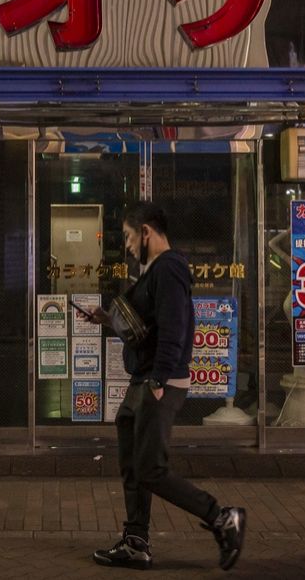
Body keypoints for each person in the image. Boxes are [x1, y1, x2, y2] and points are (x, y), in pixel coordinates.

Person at [82, 202, 246, 571]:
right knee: (132, 463)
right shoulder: (155, 271)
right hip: (144, 379)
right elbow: (147, 328)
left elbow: (175, 329)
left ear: (146, 232)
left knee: (151, 469)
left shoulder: (169, 268)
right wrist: (108, 320)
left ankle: (222, 518)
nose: (127, 245)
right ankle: (135, 542)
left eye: (128, 236)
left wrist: (158, 379)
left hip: (159, 382)